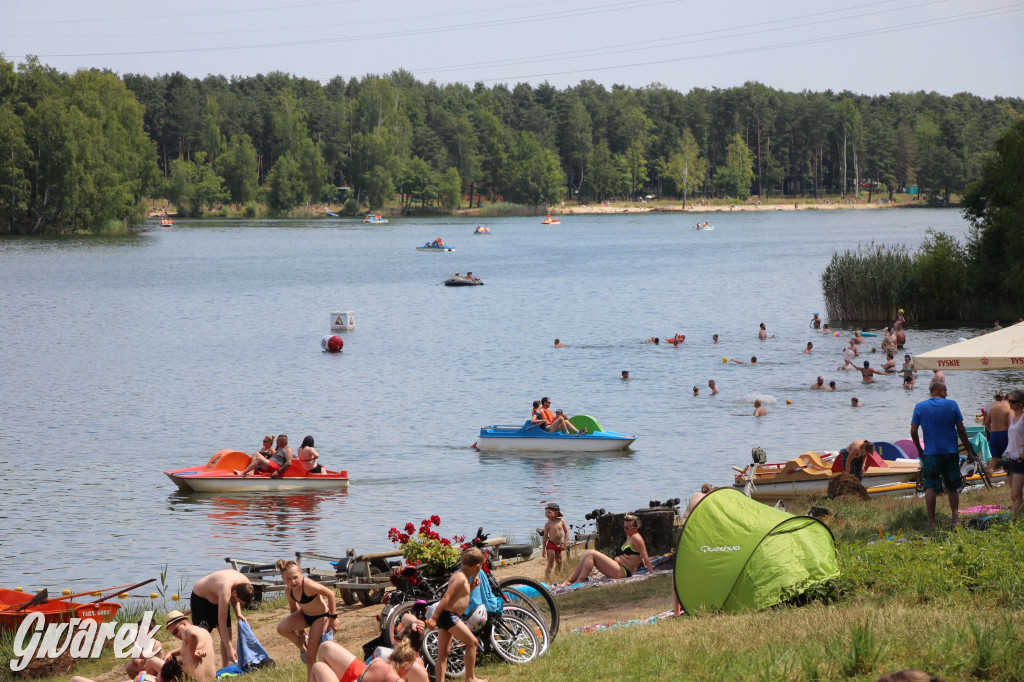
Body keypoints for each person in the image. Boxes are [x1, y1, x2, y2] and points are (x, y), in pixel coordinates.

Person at [911, 380, 976, 530]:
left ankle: (931, 522)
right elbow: (961, 430)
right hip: (950, 452)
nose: (947, 393)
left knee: (930, 487)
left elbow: (913, 431)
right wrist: (970, 451)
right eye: (945, 390)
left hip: (931, 453)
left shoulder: (920, 407)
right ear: (939, 390)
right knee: (953, 486)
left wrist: (919, 450)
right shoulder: (952, 405)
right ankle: (955, 518)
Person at [425, 547, 488, 682]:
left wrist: (472, 586)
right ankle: (470, 678)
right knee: (472, 642)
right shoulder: (459, 578)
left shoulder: (463, 576)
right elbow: (446, 598)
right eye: (480, 567)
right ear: (477, 566)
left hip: (448, 616)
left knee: (443, 652)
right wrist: (434, 618)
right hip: (448, 615)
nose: (479, 570)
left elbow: (462, 596)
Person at [275, 559, 338, 674]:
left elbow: (331, 594)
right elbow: (294, 609)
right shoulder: (288, 590)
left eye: (295, 577)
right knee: (281, 628)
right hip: (304, 615)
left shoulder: (308, 585)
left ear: (300, 573)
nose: (293, 581)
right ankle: (300, 642)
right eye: (288, 579)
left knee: (310, 657)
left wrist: (333, 618)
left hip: (320, 617)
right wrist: (301, 632)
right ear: (283, 579)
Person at [560, 514, 654, 586]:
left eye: (628, 528)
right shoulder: (630, 536)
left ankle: (578, 582)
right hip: (618, 568)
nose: (625, 530)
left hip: (622, 572)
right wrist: (642, 564)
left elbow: (644, 555)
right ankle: (568, 581)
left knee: (591, 553)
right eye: (624, 527)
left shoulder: (636, 538)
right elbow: (638, 556)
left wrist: (652, 574)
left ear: (636, 528)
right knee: (588, 554)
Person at [189, 570, 255, 669]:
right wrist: (230, 649)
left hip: (218, 597)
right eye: (240, 602)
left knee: (228, 634)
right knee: (201, 637)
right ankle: (199, 669)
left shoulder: (246, 584)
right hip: (201, 599)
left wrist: (239, 614)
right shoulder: (225, 590)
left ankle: (226, 669)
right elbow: (222, 623)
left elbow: (235, 597)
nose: (240, 604)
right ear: (235, 594)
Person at [312, 640, 422, 682]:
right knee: (322, 655)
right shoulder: (397, 680)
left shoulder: (377, 661)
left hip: (358, 676)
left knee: (318, 666)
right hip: (356, 675)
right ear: (406, 665)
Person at [163, 611, 216, 682]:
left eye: (175, 631)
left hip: (193, 679)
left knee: (153, 664)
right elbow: (189, 644)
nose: (175, 636)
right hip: (210, 680)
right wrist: (171, 652)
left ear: (183, 623)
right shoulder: (204, 632)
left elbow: (192, 633)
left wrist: (193, 652)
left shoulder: (187, 630)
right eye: (173, 634)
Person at [1001, 389, 1024, 518]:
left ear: (1021, 403)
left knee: (1014, 495)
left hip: (1020, 459)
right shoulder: (1012, 418)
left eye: (1013, 401)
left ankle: (1015, 519)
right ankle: (1020, 518)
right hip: (1010, 457)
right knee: (1017, 495)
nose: (1010, 403)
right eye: (1009, 400)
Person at [985, 390, 1011, 479]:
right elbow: (1010, 423)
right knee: (1010, 458)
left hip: (994, 434)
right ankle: (1011, 480)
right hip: (1005, 434)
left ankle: (987, 482)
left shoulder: (994, 407)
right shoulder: (1009, 408)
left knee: (993, 460)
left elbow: (986, 423)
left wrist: (991, 432)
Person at [541, 503, 569, 580]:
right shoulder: (548, 524)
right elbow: (545, 537)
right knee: (550, 563)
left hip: (559, 545)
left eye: (549, 512)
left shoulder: (561, 521)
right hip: (551, 545)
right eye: (546, 512)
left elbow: (566, 532)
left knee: (559, 563)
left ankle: (556, 577)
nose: (547, 514)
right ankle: (547, 579)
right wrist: (544, 549)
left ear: (556, 513)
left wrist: (564, 543)